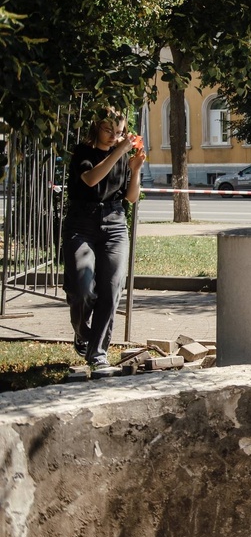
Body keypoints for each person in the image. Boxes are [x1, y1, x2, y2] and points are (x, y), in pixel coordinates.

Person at [63, 108, 145, 376]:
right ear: (96, 128)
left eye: (119, 131)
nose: (114, 136)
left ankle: (97, 354)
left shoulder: (122, 156)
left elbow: (131, 198)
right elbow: (91, 179)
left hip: (114, 224)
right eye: (108, 130)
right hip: (81, 224)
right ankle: (83, 334)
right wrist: (119, 151)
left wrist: (135, 170)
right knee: (82, 288)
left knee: (111, 290)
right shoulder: (82, 153)